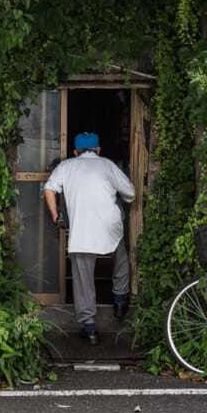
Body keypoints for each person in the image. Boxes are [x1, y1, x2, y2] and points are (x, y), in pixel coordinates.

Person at [43, 131, 135, 345]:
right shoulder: (107, 165)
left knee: (83, 276)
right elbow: (130, 193)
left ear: (75, 152)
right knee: (120, 256)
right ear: (98, 150)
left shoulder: (66, 166)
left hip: (81, 229)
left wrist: (57, 218)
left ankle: (90, 327)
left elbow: (49, 189)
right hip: (110, 226)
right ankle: (120, 302)